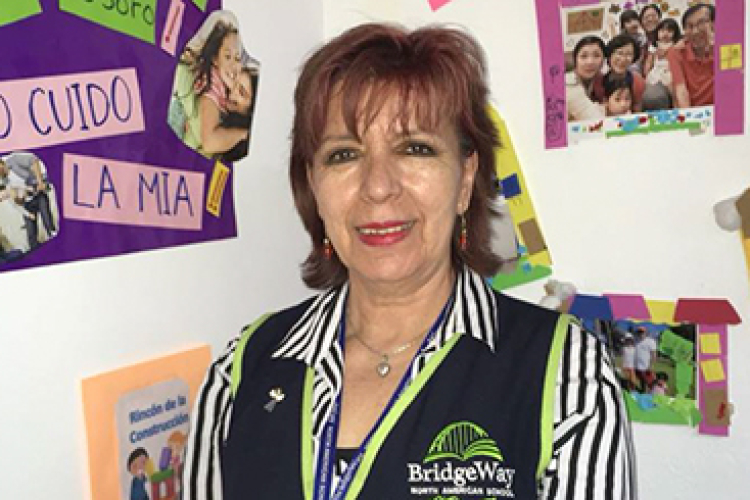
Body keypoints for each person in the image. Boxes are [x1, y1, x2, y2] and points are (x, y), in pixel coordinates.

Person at [183, 24, 635, 499]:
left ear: (465, 179)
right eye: (344, 154)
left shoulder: (568, 375)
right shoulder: (241, 370)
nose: (378, 186)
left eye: (415, 148)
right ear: (313, 185)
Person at [168, 14, 252, 159]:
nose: (233, 65)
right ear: (215, 60)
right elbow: (209, 142)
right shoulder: (213, 88)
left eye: (237, 58)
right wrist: (244, 134)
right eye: (227, 57)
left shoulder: (225, 88)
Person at [0, 152, 56, 250]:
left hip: (38, 194)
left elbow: (33, 160)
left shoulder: (14, 159)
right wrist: (25, 210)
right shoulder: (5, 181)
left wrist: (40, 182)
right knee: (31, 238)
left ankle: (55, 244)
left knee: (48, 223)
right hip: (27, 205)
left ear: (2, 163)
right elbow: (16, 204)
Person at [667, 3, 715, 108]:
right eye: (689, 26)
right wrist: (688, 115)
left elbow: (731, 84)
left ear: (714, 24)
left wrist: (714, 48)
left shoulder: (727, 48)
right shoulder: (676, 52)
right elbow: (681, 90)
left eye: (701, 23)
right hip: (694, 110)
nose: (695, 31)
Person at [642, 18, 682, 110]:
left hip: (670, 71)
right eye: (662, 31)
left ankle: (677, 107)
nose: (665, 33)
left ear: (675, 33)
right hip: (657, 72)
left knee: (674, 90)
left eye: (669, 31)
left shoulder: (676, 45)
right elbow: (649, 62)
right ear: (657, 32)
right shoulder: (654, 46)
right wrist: (646, 73)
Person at [565, 36, 606, 121]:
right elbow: (595, 119)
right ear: (575, 60)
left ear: (603, 61)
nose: (590, 62)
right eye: (583, 56)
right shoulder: (569, 84)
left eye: (596, 56)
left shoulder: (600, 80)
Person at [602, 34, 645, 112]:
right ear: (610, 55)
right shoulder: (599, 81)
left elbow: (637, 109)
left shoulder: (637, 81)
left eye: (629, 54)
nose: (623, 59)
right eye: (619, 53)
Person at [620, 9, 648, 74]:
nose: (633, 23)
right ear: (623, 26)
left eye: (635, 20)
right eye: (628, 22)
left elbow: (641, 57)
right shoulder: (621, 38)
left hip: (636, 67)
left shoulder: (642, 38)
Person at [634, 326, 658, 392]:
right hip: (637, 367)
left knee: (650, 384)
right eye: (639, 332)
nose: (640, 333)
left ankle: (652, 394)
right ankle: (643, 392)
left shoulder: (650, 341)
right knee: (642, 382)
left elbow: (654, 354)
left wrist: (651, 365)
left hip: (646, 367)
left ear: (645, 332)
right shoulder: (636, 341)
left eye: (642, 332)